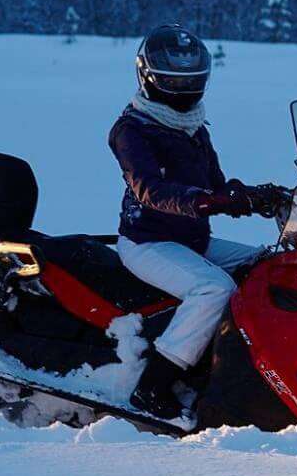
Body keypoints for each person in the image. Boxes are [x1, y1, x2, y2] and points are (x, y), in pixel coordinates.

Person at [108, 23, 273, 419]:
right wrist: (208, 201)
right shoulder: (131, 130)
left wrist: (261, 196)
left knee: (269, 264)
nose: (182, 92)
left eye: (190, 82)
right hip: (148, 242)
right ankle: (154, 385)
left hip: (192, 238)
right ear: (148, 78)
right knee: (213, 289)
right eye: (171, 82)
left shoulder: (192, 127)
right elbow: (151, 190)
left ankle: (245, 366)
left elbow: (215, 184)